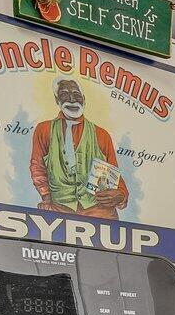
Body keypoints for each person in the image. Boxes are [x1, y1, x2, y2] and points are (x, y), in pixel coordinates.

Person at [28, 79, 128, 217]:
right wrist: (46, 197)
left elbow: (113, 175)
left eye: (76, 94)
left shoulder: (101, 134)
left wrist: (121, 195)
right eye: (64, 94)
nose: (71, 100)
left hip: (99, 210)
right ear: (57, 100)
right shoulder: (44, 129)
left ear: (84, 100)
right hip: (59, 209)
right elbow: (37, 167)